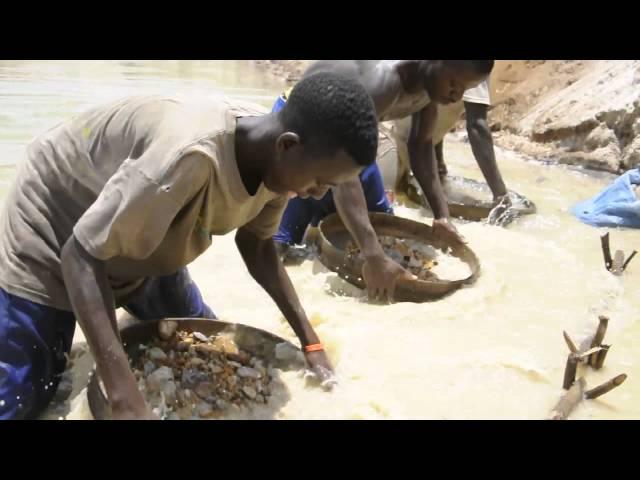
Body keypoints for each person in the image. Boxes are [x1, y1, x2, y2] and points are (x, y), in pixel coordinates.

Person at [0, 72, 380, 419]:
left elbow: (259, 246)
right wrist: (124, 397)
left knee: (206, 346)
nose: (316, 197)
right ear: (287, 145)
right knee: (23, 398)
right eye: (320, 183)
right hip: (55, 225)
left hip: (144, 231)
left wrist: (310, 342)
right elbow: (79, 256)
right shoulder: (188, 158)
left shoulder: (278, 165)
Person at [296, 60, 494, 301]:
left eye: (465, 89)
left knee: (377, 221)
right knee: (289, 247)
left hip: (348, 146)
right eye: (454, 84)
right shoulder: (384, 82)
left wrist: (441, 215)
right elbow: (342, 175)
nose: (457, 96)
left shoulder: (428, 87)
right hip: (300, 140)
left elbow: (421, 147)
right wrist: (374, 257)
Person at [271, 89, 393, 258]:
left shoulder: (363, 178)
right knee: (277, 244)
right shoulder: (304, 172)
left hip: (303, 116)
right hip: (297, 115)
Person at [433, 80, 512, 222]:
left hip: (403, 137)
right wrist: (501, 197)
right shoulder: (474, 65)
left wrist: (438, 164)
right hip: (411, 147)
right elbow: (477, 126)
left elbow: (435, 108)